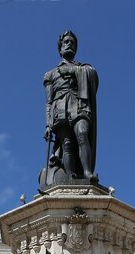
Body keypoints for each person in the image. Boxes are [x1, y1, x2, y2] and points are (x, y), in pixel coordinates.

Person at [43, 30, 98, 183]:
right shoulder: (50, 74)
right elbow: (48, 101)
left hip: (79, 105)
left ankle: (87, 172)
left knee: (82, 133)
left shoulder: (83, 68)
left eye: (72, 43)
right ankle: (70, 176)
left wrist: (74, 70)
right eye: (66, 42)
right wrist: (48, 124)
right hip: (60, 108)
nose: (69, 45)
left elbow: (93, 76)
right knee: (67, 144)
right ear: (60, 48)